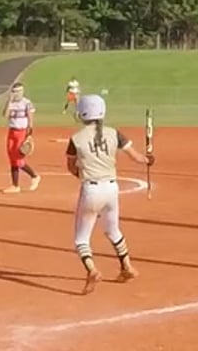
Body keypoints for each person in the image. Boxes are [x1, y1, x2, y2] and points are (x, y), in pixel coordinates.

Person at [65, 93, 153, 293]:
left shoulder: (76, 139)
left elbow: (71, 166)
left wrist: (81, 174)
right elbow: (136, 157)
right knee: (113, 230)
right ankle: (127, 266)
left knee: (81, 239)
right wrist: (148, 159)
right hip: (112, 188)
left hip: (91, 189)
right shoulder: (114, 133)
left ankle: (92, 270)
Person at [2, 82, 42, 194]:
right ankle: (15, 185)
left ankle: (34, 176)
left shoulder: (26, 103)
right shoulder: (11, 103)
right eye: (13, 91)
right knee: (12, 158)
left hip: (21, 132)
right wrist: (9, 101)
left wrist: (29, 134)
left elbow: (30, 118)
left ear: (21, 92)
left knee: (18, 159)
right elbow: (5, 115)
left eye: (16, 92)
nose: (14, 94)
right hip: (12, 131)